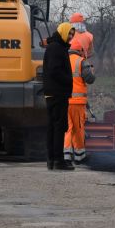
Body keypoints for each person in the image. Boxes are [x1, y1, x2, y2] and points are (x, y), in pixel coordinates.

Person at [42, 22, 76, 170]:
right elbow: (55, 70)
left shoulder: (54, 47)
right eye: (69, 34)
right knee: (58, 127)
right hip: (58, 93)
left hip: (53, 93)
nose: (70, 37)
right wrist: (68, 80)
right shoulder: (57, 48)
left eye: (72, 35)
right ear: (62, 32)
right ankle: (58, 160)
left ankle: (51, 160)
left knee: (52, 126)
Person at [64, 35, 96, 165]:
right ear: (80, 50)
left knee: (67, 128)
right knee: (78, 128)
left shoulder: (61, 60)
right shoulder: (81, 61)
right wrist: (92, 71)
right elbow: (90, 79)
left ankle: (66, 155)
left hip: (63, 101)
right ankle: (79, 156)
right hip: (77, 102)